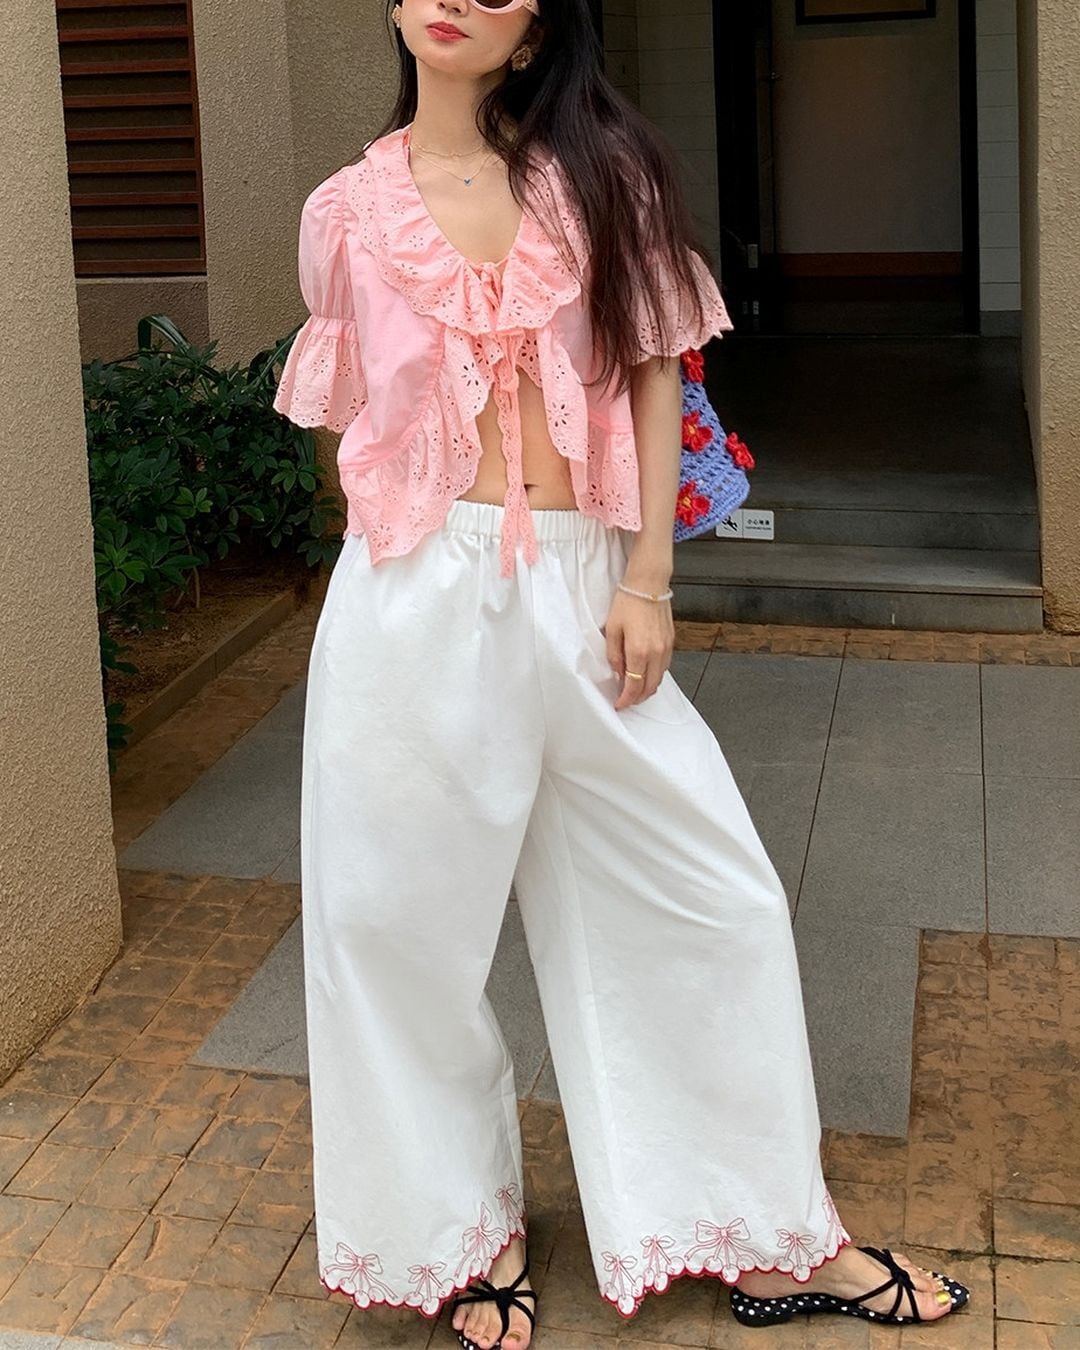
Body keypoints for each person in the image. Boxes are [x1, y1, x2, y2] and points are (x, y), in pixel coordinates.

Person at [271, 2, 972, 1347]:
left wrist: (647, 575)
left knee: (715, 895)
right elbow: (348, 414)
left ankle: (767, 1231)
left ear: (537, 32)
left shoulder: (606, 178)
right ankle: (458, 1235)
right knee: (391, 929)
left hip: (590, 585)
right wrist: (409, 568)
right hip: (412, 593)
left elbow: (655, 371)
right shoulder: (342, 215)